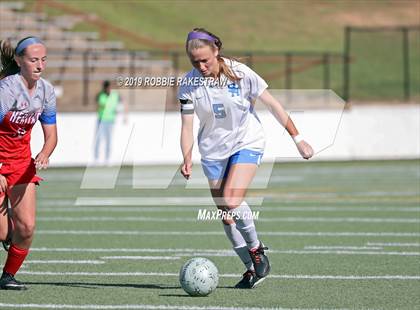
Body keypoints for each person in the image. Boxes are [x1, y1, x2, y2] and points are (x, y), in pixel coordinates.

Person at [179, 28, 314, 289]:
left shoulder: (240, 73)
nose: (201, 66)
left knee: (231, 199)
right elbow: (186, 126)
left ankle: (256, 249)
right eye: (195, 62)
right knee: (225, 215)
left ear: (216, 51)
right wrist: (186, 156)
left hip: (246, 141)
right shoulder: (188, 83)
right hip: (212, 151)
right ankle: (252, 269)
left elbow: (273, 105)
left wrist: (297, 139)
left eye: (205, 60)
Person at [0, 37, 57, 290]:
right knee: (3, 233)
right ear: (19, 61)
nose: (40, 65)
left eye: (43, 60)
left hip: (22, 164)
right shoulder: (7, 89)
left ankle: (7, 276)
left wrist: (45, 153)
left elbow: (52, 135)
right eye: (34, 60)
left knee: (27, 227)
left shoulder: (46, 91)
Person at [94, 80, 126, 165]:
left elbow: (122, 102)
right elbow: (98, 106)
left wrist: (123, 113)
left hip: (110, 121)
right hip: (101, 120)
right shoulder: (101, 95)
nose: (109, 89)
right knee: (98, 139)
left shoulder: (115, 95)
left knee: (109, 140)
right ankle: (96, 158)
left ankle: (107, 158)